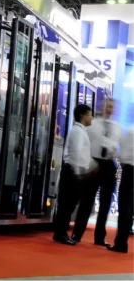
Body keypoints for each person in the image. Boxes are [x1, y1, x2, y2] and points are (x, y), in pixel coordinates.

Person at [72, 98, 123, 245]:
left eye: (112, 107)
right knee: (87, 201)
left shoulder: (117, 128)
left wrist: (116, 154)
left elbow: (119, 146)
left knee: (106, 203)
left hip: (109, 164)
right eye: (108, 106)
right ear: (103, 106)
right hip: (93, 163)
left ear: (114, 110)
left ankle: (100, 237)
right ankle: (77, 234)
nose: (109, 109)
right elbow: (84, 144)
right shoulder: (92, 124)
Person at [53, 104, 95, 246]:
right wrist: (78, 172)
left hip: (74, 172)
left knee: (69, 205)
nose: (92, 118)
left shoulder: (80, 131)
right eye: (90, 114)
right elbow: (75, 153)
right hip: (72, 172)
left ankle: (60, 233)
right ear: (83, 116)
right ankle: (60, 234)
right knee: (67, 204)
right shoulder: (77, 131)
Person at [109, 125, 133, 253]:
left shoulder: (130, 131)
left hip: (130, 170)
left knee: (124, 207)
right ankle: (122, 242)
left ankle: (121, 243)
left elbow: (122, 153)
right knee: (129, 207)